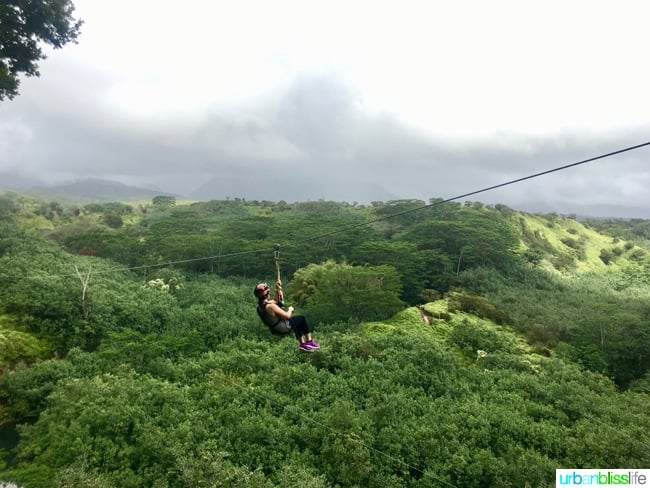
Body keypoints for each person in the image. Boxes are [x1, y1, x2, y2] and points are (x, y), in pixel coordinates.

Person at [254, 280, 320, 352]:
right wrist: (290, 309)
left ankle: (302, 344)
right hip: (283, 327)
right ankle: (309, 341)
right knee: (301, 319)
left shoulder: (261, 305)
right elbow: (287, 316)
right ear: (267, 294)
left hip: (275, 328)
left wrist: (277, 288)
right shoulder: (270, 306)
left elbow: (275, 300)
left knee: (296, 322)